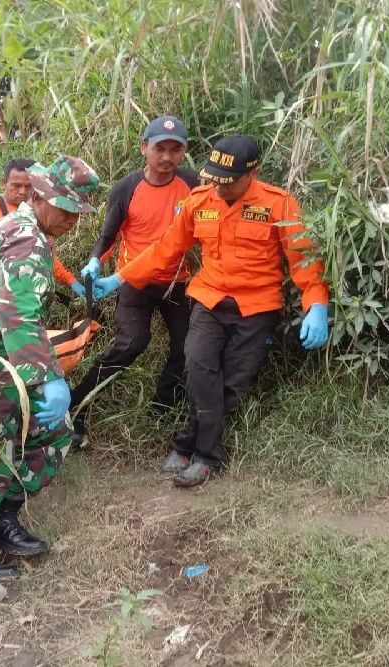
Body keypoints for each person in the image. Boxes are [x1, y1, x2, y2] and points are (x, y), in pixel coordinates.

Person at [92, 135, 330, 487]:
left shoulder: (278, 205)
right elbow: (166, 248)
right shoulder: (200, 201)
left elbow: (304, 260)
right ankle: (205, 455)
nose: (218, 188)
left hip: (256, 307)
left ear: (253, 174)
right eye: (214, 179)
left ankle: (194, 449)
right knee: (197, 368)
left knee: (229, 385)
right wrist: (119, 278)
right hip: (209, 300)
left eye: (227, 181)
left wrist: (317, 304)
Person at [0, 155, 98, 577]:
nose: (72, 220)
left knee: (50, 432)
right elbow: (20, 318)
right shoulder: (24, 236)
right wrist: (47, 379)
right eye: (66, 208)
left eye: (78, 212)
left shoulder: (18, 227)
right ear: (40, 196)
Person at [73, 116, 199, 441]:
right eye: (160, 148)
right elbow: (108, 236)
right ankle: (77, 405)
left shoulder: (192, 183)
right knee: (132, 342)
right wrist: (94, 261)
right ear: (144, 147)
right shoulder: (127, 188)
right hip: (133, 281)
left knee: (187, 346)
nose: (167, 157)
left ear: (184, 151)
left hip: (176, 281)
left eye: (175, 149)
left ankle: (162, 406)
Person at [0, 158, 83, 295]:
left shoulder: (40, 215)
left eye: (28, 186)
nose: (22, 192)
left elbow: (45, 255)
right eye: (16, 186)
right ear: (4, 182)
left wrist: (71, 281)